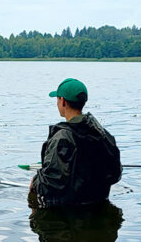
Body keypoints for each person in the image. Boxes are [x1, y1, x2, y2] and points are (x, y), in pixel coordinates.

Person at [28, 78, 121, 208]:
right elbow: (116, 174)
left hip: (68, 211)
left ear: (63, 101)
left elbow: (51, 184)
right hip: (98, 203)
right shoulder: (102, 134)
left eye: (57, 99)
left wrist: (36, 182)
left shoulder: (62, 138)